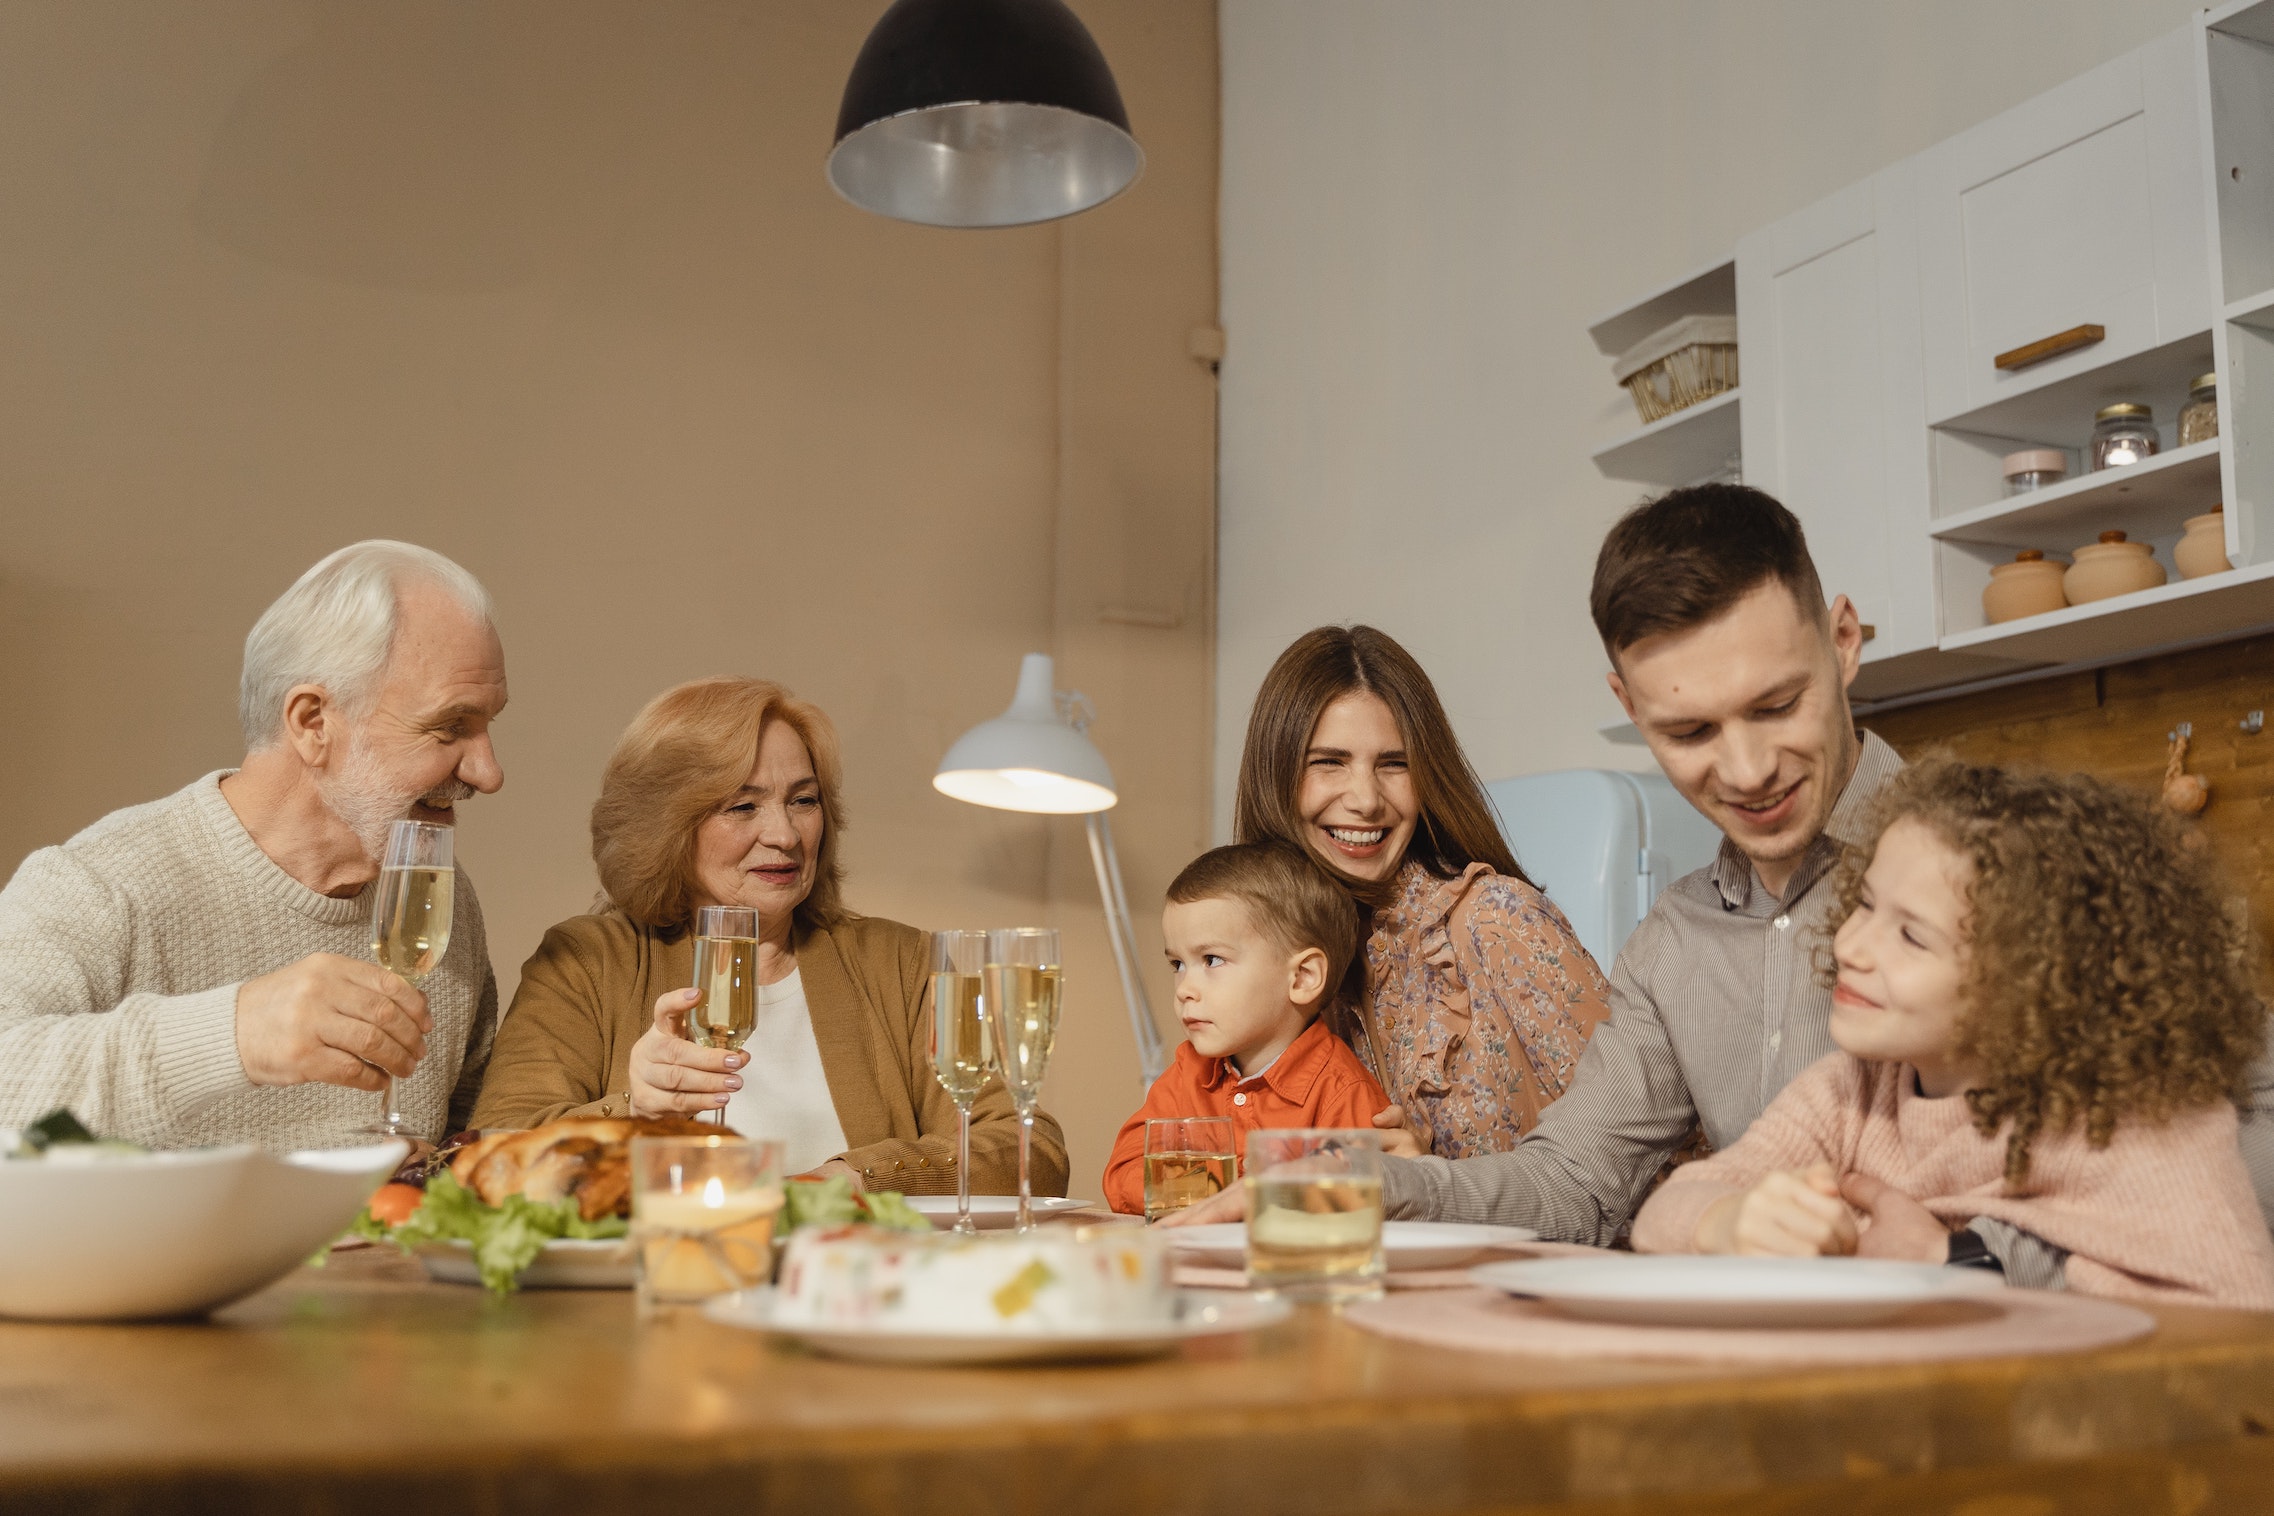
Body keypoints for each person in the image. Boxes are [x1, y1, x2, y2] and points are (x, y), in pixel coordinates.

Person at [1314, 484, 2274, 1267]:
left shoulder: (2009, 868)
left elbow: (2249, 1114)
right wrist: (1370, 1184)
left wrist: (1984, 1252)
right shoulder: (1673, 947)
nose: (1745, 770)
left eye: (1778, 704)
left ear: (1844, 640)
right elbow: (1575, 1186)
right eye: (1688, 732)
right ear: (1628, 705)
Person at [1633, 760, 2274, 1310]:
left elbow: (2233, 1316)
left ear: (2034, 983)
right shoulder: (1848, 1091)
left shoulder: (2129, 1117)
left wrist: (1955, 1262)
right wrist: (1729, 1223)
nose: (1850, 945)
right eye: (1864, 905)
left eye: (1912, 935)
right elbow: (1663, 1218)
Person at [471, 677, 1068, 1196]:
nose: (784, 834)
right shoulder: (585, 962)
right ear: (668, 824)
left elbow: (1029, 1149)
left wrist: (855, 1180)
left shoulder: (904, 962)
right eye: (742, 806)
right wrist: (635, 1109)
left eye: (803, 801)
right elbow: (494, 1154)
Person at [0, 541, 506, 1149]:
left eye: (487, 726)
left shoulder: (437, 899)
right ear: (313, 722)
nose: (488, 772)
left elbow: (471, 1139)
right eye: (451, 727)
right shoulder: (101, 884)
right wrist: (234, 1034)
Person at [1227, 625, 1613, 1159]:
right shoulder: (1285, 963)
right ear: (1276, 777)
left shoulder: (1498, 919)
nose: (1366, 800)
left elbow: (1655, 1157)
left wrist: (1432, 1183)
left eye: (1395, 764)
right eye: (1329, 762)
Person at [1101, 842, 1416, 1215]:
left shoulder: (1341, 1093)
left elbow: (1361, 1208)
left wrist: (1205, 1187)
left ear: (1302, 977)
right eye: (1178, 964)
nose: (1185, 989)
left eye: (1211, 959)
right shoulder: (1188, 1072)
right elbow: (1122, 1176)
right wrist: (1231, 1187)